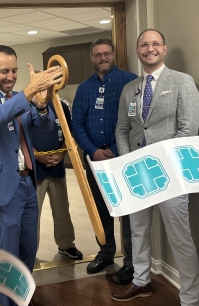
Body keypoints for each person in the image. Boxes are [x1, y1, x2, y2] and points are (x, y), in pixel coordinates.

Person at [111, 29, 199, 304]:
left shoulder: (183, 82)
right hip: (137, 174)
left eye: (154, 44)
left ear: (164, 49)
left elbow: (188, 131)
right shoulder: (130, 89)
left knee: (180, 238)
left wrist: (157, 162)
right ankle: (141, 281)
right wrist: (129, 162)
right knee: (137, 231)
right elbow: (122, 130)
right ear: (138, 51)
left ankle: (190, 298)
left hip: (170, 174)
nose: (149, 49)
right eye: (143, 45)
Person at [0, 45, 63, 306]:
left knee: (28, 250)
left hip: (27, 182)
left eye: (13, 70)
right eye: (4, 71)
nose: (10, 76)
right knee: (9, 255)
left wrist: (43, 106)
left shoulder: (19, 98)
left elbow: (44, 125)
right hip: (4, 187)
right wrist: (30, 91)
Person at [71, 38, 137, 284]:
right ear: (92, 58)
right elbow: (76, 123)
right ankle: (107, 253)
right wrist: (92, 150)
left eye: (106, 53)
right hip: (95, 162)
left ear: (113, 54)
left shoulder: (130, 82)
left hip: (123, 159)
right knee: (101, 209)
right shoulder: (84, 88)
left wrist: (114, 149)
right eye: (98, 55)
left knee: (128, 212)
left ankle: (130, 261)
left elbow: (135, 121)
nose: (103, 58)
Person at [32, 98, 83, 261]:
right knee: (32, 213)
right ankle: (30, 251)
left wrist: (62, 153)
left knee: (62, 208)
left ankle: (66, 244)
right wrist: (36, 156)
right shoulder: (24, 105)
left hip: (57, 167)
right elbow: (20, 136)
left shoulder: (61, 106)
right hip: (34, 170)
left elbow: (69, 134)